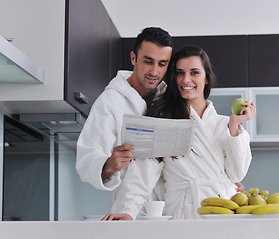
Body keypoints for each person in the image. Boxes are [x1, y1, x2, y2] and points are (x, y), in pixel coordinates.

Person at [102, 45, 256, 220]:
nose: (186, 80)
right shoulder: (164, 121)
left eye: (194, 73)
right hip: (182, 211)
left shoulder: (225, 124)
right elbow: (143, 171)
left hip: (223, 211)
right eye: (180, 73)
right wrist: (126, 210)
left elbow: (237, 174)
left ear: (206, 78)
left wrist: (234, 126)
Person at [75, 27, 173, 198]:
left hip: (171, 207)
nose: (154, 72)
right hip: (131, 210)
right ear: (133, 58)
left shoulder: (170, 99)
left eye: (162, 64)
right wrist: (110, 165)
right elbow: (86, 159)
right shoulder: (109, 103)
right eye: (148, 61)